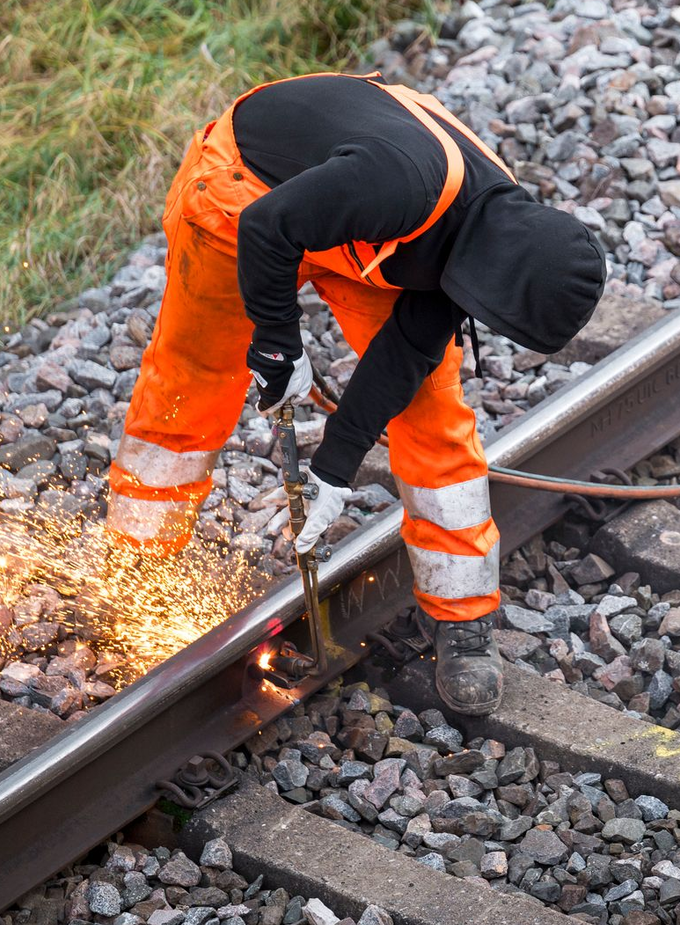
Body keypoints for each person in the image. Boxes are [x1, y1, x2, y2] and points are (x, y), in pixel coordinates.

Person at [105, 71, 606, 715]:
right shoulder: (400, 184)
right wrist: (280, 344)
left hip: (361, 221)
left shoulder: (493, 240)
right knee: (194, 380)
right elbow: (267, 227)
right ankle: (138, 568)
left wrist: (335, 466)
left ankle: (463, 616)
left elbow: (404, 358)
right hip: (246, 192)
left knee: (433, 414)